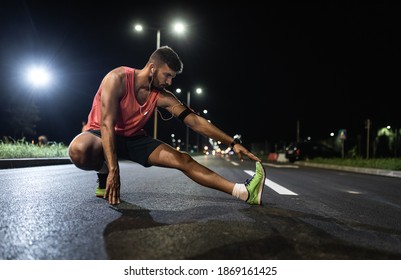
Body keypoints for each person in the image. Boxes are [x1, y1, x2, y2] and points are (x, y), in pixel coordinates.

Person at [68, 46, 266, 206]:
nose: (169, 82)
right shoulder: (117, 79)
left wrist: (232, 143)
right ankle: (102, 170)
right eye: (167, 75)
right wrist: (112, 169)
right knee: (78, 150)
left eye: (172, 77)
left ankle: (243, 192)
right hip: (100, 133)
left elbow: (195, 121)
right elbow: (107, 123)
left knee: (183, 160)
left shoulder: (161, 96)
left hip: (133, 138)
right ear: (153, 68)